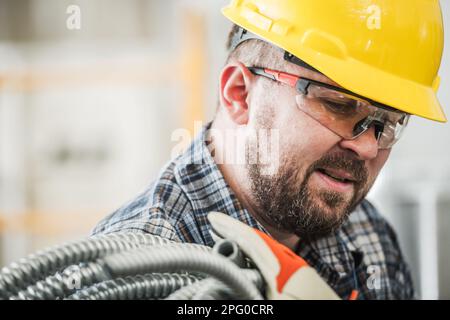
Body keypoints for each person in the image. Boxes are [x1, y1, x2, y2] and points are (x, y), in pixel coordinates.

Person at [92, 0, 446, 299]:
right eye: (338, 104)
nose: (368, 146)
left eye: (389, 122)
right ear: (239, 94)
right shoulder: (132, 272)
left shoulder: (366, 236)